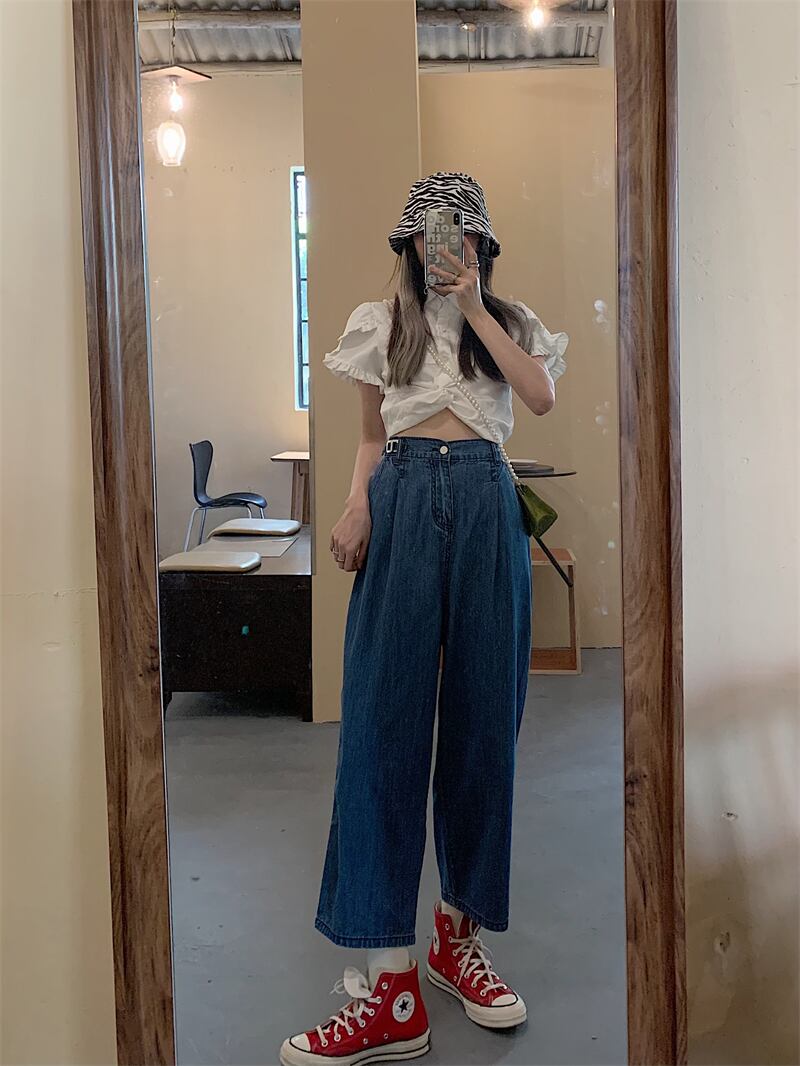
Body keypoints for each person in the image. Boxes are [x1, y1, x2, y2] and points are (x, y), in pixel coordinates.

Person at [280, 173, 568, 1066]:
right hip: (402, 497)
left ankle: (456, 937)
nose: (450, 248)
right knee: (379, 727)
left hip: (486, 500)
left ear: (484, 246)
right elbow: (372, 437)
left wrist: (475, 306)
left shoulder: (508, 322)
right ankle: (390, 983)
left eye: (467, 235)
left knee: (485, 729)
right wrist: (356, 506)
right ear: (410, 244)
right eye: (436, 235)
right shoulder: (381, 323)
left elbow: (540, 398)